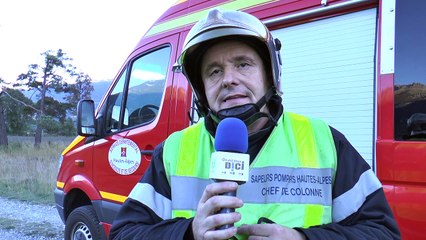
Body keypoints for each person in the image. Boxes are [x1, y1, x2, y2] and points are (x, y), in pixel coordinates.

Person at [109, 9, 400, 240]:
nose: (228, 79)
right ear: (201, 89)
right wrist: (189, 233)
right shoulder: (172, 151)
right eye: (214, 71)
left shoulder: (325, 142)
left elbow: (382, 233)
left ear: (270, 76)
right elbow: (124, 233)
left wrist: (303, 239)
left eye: (243, 64)